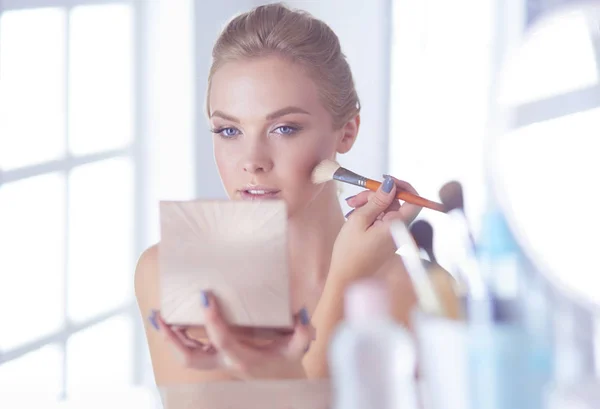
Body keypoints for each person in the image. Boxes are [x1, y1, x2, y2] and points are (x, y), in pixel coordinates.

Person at [134, 2, 421, 384]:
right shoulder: (172, 270)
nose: (252, 161)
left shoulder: (420, 288)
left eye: (284, 128)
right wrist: (344, 282)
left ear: (347, 132)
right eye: (229, 131)